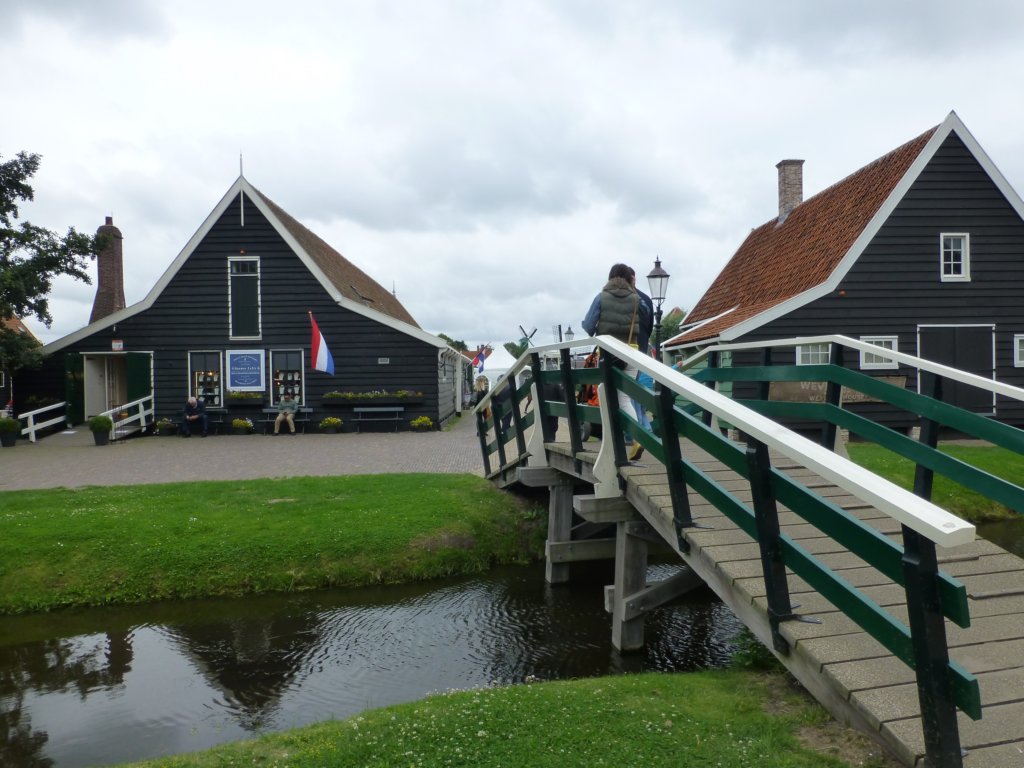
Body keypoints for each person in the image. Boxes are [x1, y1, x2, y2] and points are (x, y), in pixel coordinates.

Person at [581, 263, 651, 461]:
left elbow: (587, 326)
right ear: (629, 278)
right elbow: (646, 318)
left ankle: (611, 442)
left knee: (604, 397)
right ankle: (637, 437)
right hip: (632, 352)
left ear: (610, 278)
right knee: (625, 398)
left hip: (609, 353)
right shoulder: (637, 299)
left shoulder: (601, 297)